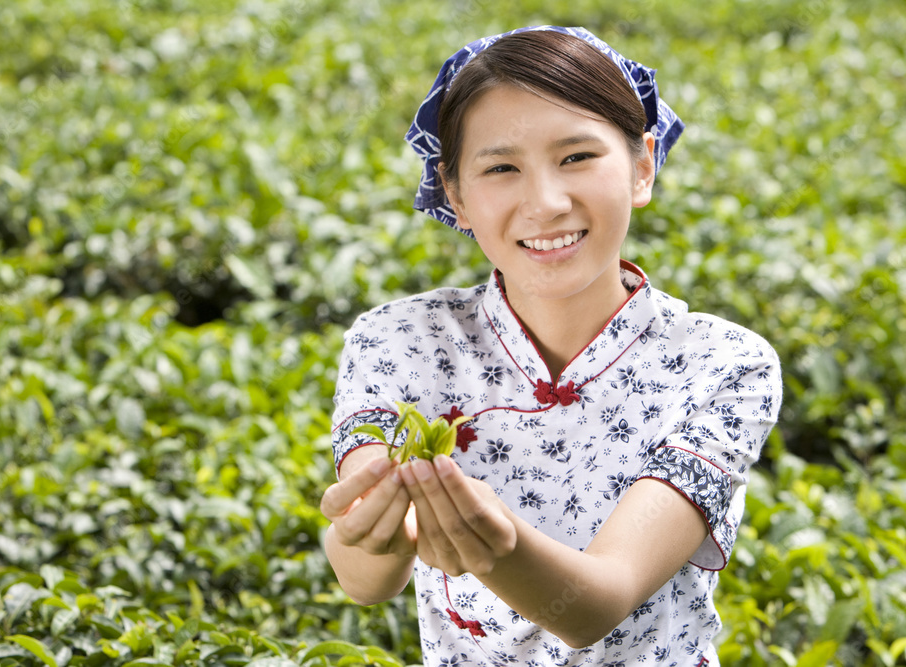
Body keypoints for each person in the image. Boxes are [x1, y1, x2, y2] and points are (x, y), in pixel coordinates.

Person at [320, 25, 782, 667]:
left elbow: (598, 605)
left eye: (577, 157)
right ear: (455, 194)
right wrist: (372, 534)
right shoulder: (402, 341)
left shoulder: (722, 364)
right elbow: (366, 582)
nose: (546, 202)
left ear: (642, 166)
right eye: (501, 168)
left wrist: (496, 548)